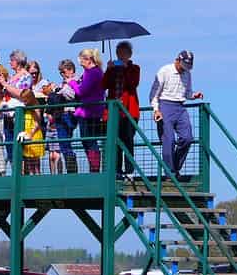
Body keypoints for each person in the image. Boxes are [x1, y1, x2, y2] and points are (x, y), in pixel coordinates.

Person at [149, 50, 203, 180]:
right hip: (165, 106)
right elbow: (153, 94)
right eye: (184, 65)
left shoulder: (187, 74)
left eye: (188, 66)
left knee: (187, 138)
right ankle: (170, 173)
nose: (185, 69)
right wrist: (156, 109)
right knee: (169, 140)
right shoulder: (164, 71)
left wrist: (193, 96)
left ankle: (175, 167)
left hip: (180, 107)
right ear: (177, 60)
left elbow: (187, 92)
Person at [104, 41, 141, 178]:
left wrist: (125, 68)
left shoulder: (135, 68)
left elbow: (133, 83)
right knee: (116, 140)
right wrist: (109, 69)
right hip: (114, 111)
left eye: (124, 53)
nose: (121, 55)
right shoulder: (113, 69)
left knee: (128, 140)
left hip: (129, 111)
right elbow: (104, 84)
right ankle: (117, 170)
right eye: (119, 52)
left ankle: (129, 171)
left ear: (129, 54)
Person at [75, 48, 106, 173]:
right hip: (91, 110)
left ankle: (94, 169)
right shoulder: (96, 72)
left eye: (81, 61)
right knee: (88, 140)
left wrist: (72, 83)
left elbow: (82, 91)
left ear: (88, 60)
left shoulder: (92, 72)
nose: (81, 64)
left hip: (89, 111)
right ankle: (93, 168)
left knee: (90, 140)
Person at [46, 60, 80, 174]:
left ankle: (72, 171)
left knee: (65, 143)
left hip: (69, 115)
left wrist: (56, 91)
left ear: (71, 70)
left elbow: (71, 95)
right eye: (61, 72)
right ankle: (71, 170)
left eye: (63, 72)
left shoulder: (76, 80)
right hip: (60, 115)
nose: (62, 75)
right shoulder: (64, 83)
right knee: (63, 144)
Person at [0, 50, 32, 162]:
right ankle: (13, 171)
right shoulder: (12, 77)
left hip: (18, 115)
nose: (10, 63)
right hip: (7, 115)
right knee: (9, 147)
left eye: (12, 60)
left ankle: (20, 174)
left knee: (19, 147)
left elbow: (22, 94)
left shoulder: (26, 76)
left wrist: (5, 85)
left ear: (18, 61)